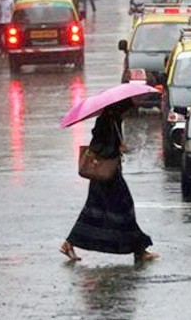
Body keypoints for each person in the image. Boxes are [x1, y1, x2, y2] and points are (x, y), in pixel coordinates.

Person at [61, 99, 159, 263]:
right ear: (119, 109)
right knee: (122, 208)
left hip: (110, 175)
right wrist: (114, 149)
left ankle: (69, 244)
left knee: (94, 211)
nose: (129, 114)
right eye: (128, 110)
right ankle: (139, 251)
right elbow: (98, 145)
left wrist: (118, 147)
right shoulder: (106, 122)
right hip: (105, 177)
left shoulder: (114, 120)